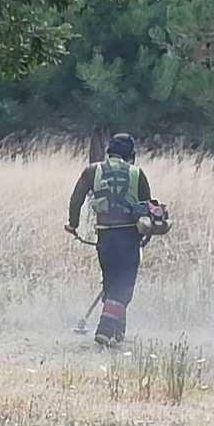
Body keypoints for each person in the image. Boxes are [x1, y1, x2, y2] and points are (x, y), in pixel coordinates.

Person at [65, 133, 150, 346]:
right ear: (131, 154)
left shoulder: (92, 171)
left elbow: (76, 199)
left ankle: (117, 333)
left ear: (109, 152)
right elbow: (147, 208)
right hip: (129, 236)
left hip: (105, 236)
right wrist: (147, 234)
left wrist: (73, 225)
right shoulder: (137, 173)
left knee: (112, 282)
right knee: (124, 286)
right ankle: (105, 329)